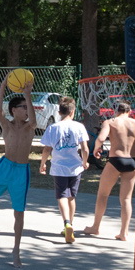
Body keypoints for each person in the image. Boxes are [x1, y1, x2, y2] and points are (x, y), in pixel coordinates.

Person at [0, 74, 38, 267]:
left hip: (21, 170)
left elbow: (34, 118)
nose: (27, 110)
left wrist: (28, 95)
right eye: (23, 107)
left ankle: (16, 250)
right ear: (14, 110)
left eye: (28, 108)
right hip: (5, 165)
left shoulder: (30, 127)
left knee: (19, 212)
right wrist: (3, 84)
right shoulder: (7, 125)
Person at [83, 99, 135, 241]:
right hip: (133, 161)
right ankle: (124, 232)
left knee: (103, 195)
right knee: (126, 199)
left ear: (117, 111)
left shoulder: (110, 122)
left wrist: (97, 148)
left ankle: (95, 227)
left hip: (116, 159)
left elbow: (101, 138)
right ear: (129, 112)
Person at [38, 96, 90, 244]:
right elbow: (85, 149)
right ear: (72, 111)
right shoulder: (79, 126)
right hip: (75, 167)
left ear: (59, 112)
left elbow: (46, 149)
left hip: (59, 166)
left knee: (61, 195)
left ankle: (66, 223)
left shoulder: (53, 127)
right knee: (71, 196)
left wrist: (43, 163)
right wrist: (85, 162)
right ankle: (70, 225)